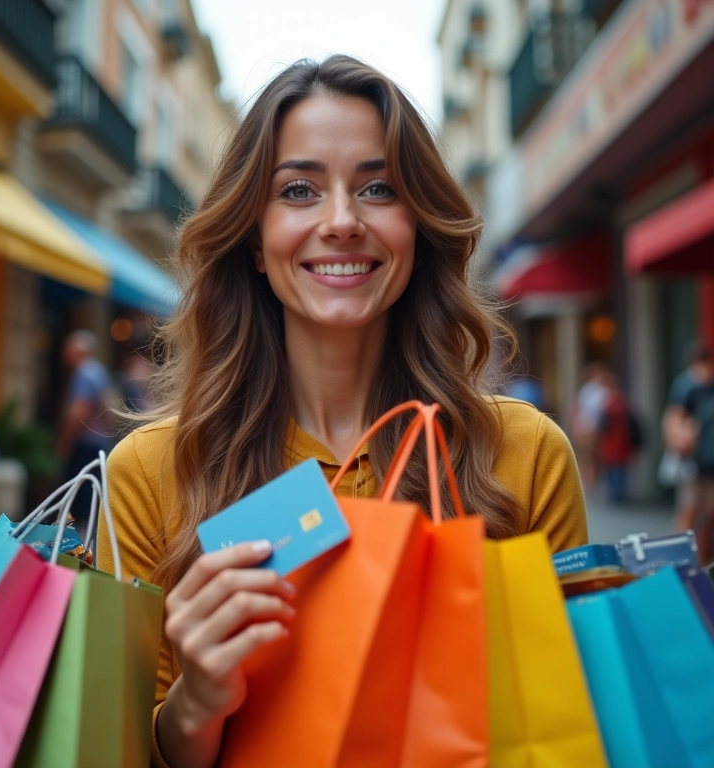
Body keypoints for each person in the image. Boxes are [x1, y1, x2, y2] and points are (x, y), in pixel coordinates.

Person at [97, 56, 588, 768]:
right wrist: (198, 699)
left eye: (378, 188)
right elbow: (124, 751)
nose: (342, 221)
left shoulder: (526, 452)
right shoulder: (151, 472)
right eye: (298, 190)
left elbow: (575, 727)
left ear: (417, 230)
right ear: (254, 243)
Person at [56, 330, 115, 528]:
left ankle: (78, 546)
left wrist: (65, 440)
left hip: (84, 442)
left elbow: (79, 411)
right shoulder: (98, 370)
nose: (64, 354)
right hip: (98, 440)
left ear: (78, 351)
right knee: (91, 493)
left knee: (80, 497)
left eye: (68, 349)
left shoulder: (83, 373)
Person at [663, 342, 714, 561]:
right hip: (693, 462)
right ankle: (680, 562)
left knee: (709, 515)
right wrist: (681, 440)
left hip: (710, 461)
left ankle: (702, 562)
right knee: (689, 513)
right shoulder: (685, 386)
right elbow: (673, 419)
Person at [596, 372, 638, 504]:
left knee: (612, 469)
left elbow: (603, 426)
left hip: (611, 441)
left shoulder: (608, 405)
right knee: (620, 469)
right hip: (622, 441)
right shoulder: (623, 403)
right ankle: (619, 494)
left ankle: (615, 495)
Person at [571, 361, 610, 490]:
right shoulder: (594, 391)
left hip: (592, 429)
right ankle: (588, 483)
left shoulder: (596, 391)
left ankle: (589, 483)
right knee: (588, 457)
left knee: (591, 458)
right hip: (589, 429)